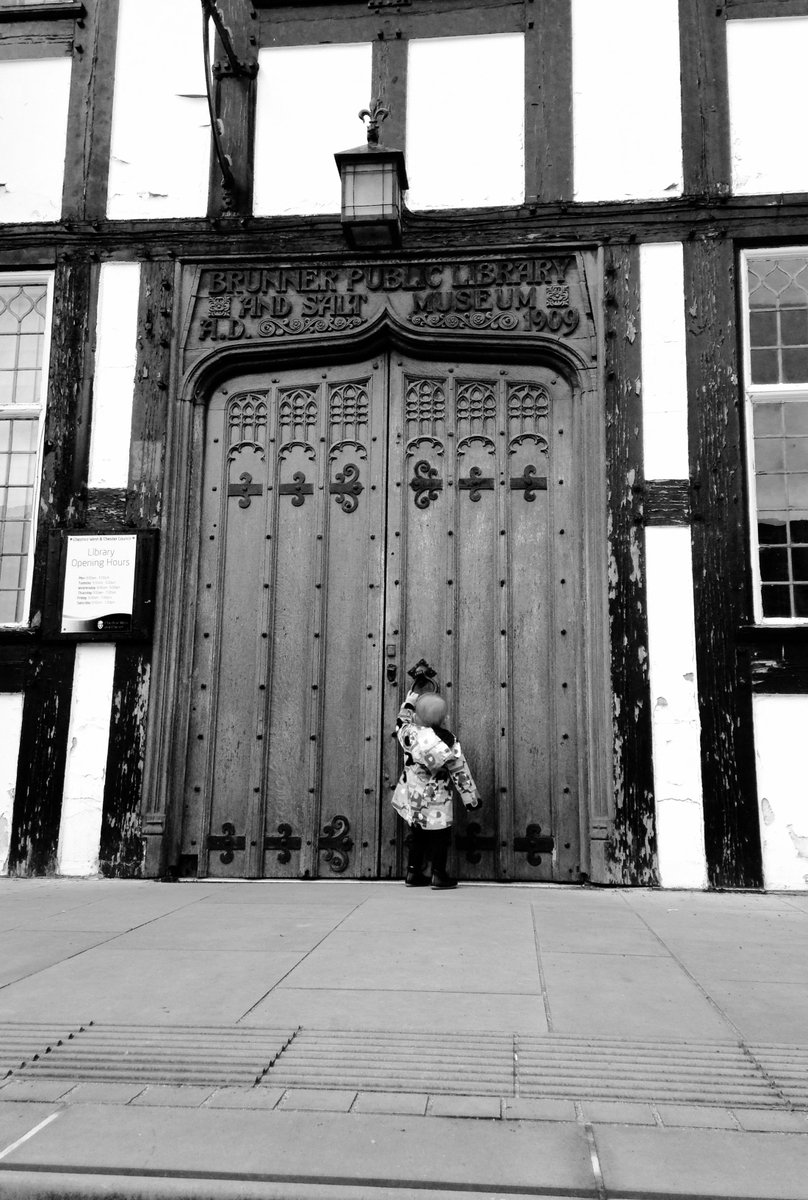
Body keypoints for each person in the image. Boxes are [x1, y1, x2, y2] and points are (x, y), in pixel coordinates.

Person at [392, 686, 481, 889]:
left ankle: (413, 872)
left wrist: (409, 703)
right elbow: (460, 772)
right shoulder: (449, 741)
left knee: (416, 835)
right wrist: (471, 799)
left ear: (417, 717)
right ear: (444, 718)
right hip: (438, 801)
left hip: (413, 797)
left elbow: (400, 724)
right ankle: (439, 875)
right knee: (440, 838)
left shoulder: (410, 734)